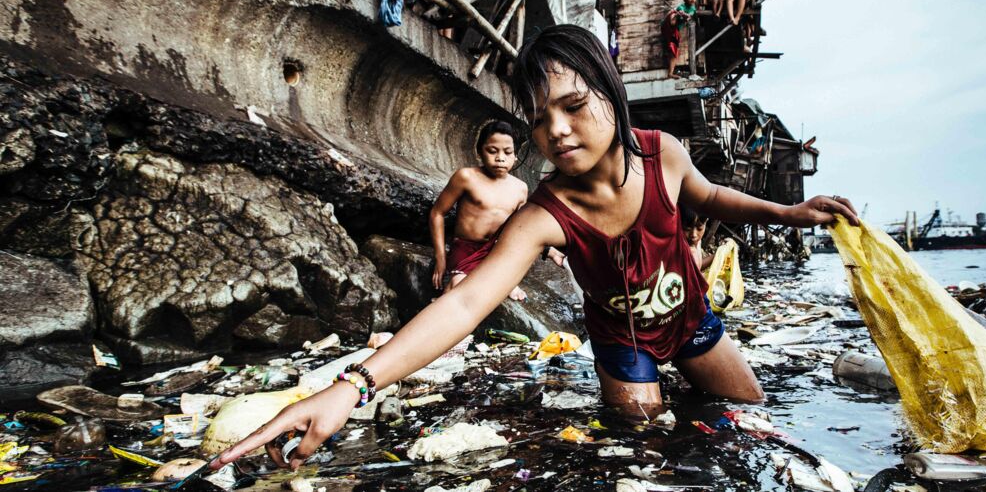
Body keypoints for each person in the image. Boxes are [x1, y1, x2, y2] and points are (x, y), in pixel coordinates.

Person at [212, 24, 858, 471]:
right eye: (540, 117)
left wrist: (790, 212)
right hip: (624, 342)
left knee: (749, 416)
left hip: (692, 322)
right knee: (645, 440)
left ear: (611, 92)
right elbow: (465, 308)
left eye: (574, 105)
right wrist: (353, 385)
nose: (556, 129)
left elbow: (713, 197)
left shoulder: (665, 155)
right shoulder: (544, 214)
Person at [429, 121, 529, 301]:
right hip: (465, 247)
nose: (500, 158)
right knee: (459, 287)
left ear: (515, 156)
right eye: (492, 151)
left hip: (496, 251)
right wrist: (440, 256)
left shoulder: (520, 188)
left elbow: (521, 229)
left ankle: (506, 279)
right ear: (479, 152)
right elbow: (437, 213)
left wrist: (550, 251)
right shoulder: (466, 177)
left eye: (507, 152)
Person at [663, 0, 698, 79]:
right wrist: (681, 13)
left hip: (674, 31)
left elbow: (690, 15)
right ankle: (670, 72)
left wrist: (687, 16)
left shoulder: (693, 9)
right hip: (669, 27)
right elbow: (681, 10)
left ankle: (670, 72)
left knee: (674, 51)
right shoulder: (681, 7)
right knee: (673, 14)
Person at [680, 205, 714, 270]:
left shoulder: (697, 242)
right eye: (687, 228)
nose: (694, 234)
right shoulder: (679, 248)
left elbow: (697, 267)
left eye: (699, 228)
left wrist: (718, 255)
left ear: (706, 222)